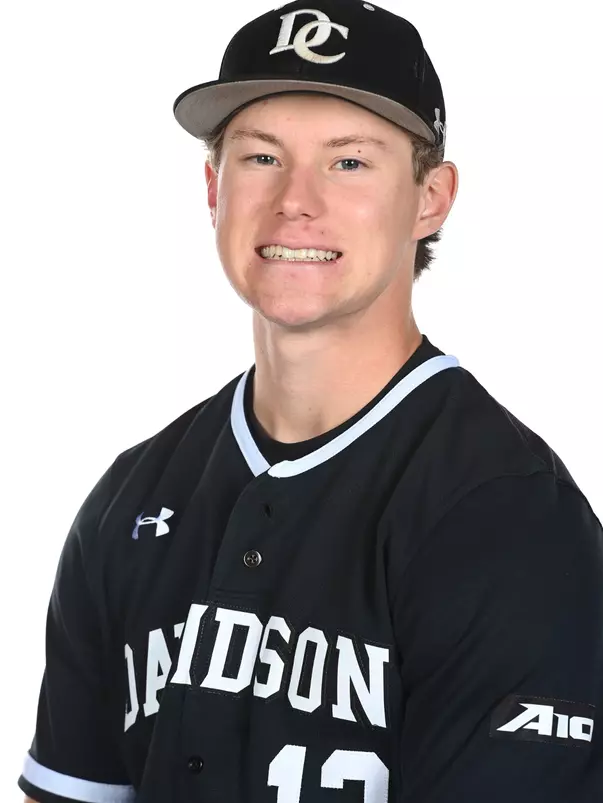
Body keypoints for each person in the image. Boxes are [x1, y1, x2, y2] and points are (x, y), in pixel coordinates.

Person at [19, 0, 603, 801]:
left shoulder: (505, 515)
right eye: (260, 158)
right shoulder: (131, 497)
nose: (295, 199)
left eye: (349, 162)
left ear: (430, 197)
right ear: (212, 187)